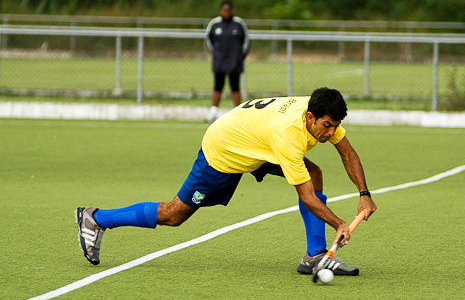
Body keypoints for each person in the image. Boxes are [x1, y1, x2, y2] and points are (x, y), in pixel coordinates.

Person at [76, 87, 377, 277]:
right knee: (174, 215)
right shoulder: (289, 135)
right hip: (224, 151)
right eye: (326, 126)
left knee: (314, 173)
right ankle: (96, 218)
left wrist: (364, 193)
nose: (329, 133)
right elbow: (308, 197)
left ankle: (314, 256)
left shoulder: (321, 115)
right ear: (310, 117)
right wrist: (338, 223)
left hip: (255, 142)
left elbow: (348, 153)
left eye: (334, 126)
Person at [204, 0, 249, 122]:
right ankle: (213, 111)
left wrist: (239, 57)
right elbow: (209, 41)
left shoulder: (239, 24)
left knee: (235, 87)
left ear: (231, 10)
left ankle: (238, 113)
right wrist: (217, 54)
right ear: (221, 11)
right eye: (224, 10)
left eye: (228, 10)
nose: (226, 12)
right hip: (220, 62)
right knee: (218, 86)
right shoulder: (214, 24)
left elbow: (246, 42)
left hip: (235, 62)